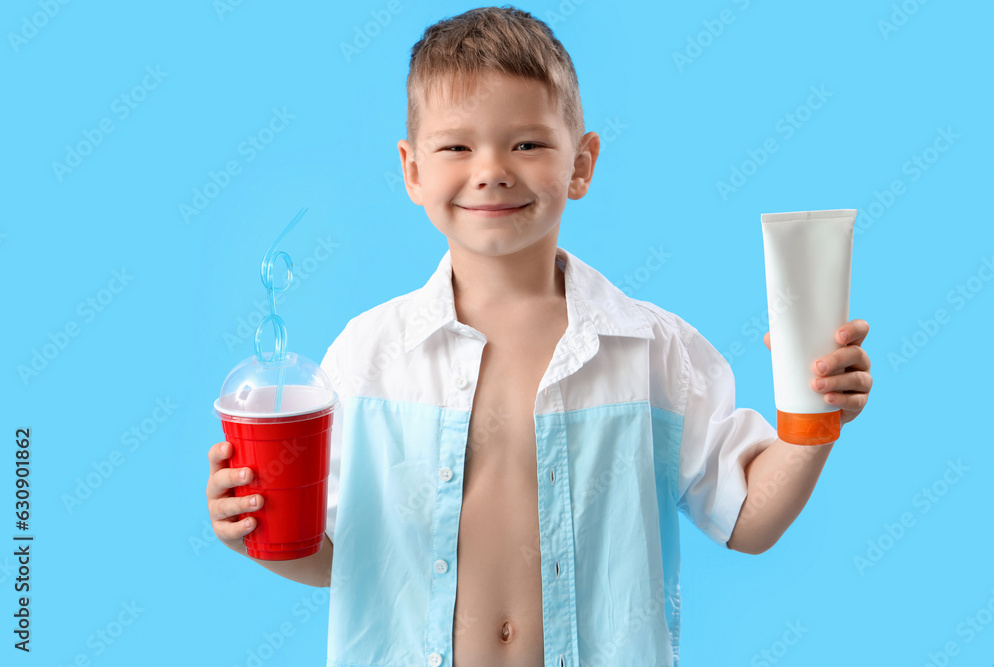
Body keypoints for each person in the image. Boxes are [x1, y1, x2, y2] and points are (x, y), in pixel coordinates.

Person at [206, 6, 873, 666]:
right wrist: (254, 531)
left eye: (526, 144)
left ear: (581, 165)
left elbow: (748, 518)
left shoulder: (652, 351)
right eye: (456, 146)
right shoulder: (368, 356)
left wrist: (813, 417)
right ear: (412, 170)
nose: (492, 168)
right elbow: (342, 564)